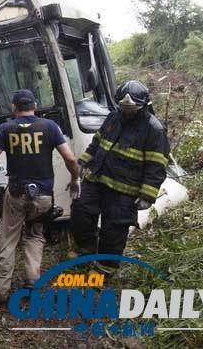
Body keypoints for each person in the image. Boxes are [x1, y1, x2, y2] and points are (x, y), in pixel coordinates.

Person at [0, 89, 81, 304]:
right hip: (43, 197)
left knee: (7, 239)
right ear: (35, 105)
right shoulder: (50, 127)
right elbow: (70, 159)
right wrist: (75, 179)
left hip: (16, 194)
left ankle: (1, 291)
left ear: (14, 107)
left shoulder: (5, 129)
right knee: (34, 236)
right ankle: (33, 282)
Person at [70, 80, 169, 275]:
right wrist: (82, 164)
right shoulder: (113, 118)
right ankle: (86, 253)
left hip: (125, 190)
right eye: (123, 107)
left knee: (114, 229)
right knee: (80, 211)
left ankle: (104, 269)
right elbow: (97, 144)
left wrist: (148, 195)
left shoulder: (154, 130)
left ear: (143, 106)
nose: (127, 112)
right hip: (97, 178)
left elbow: (156, 166)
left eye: (131, 109)